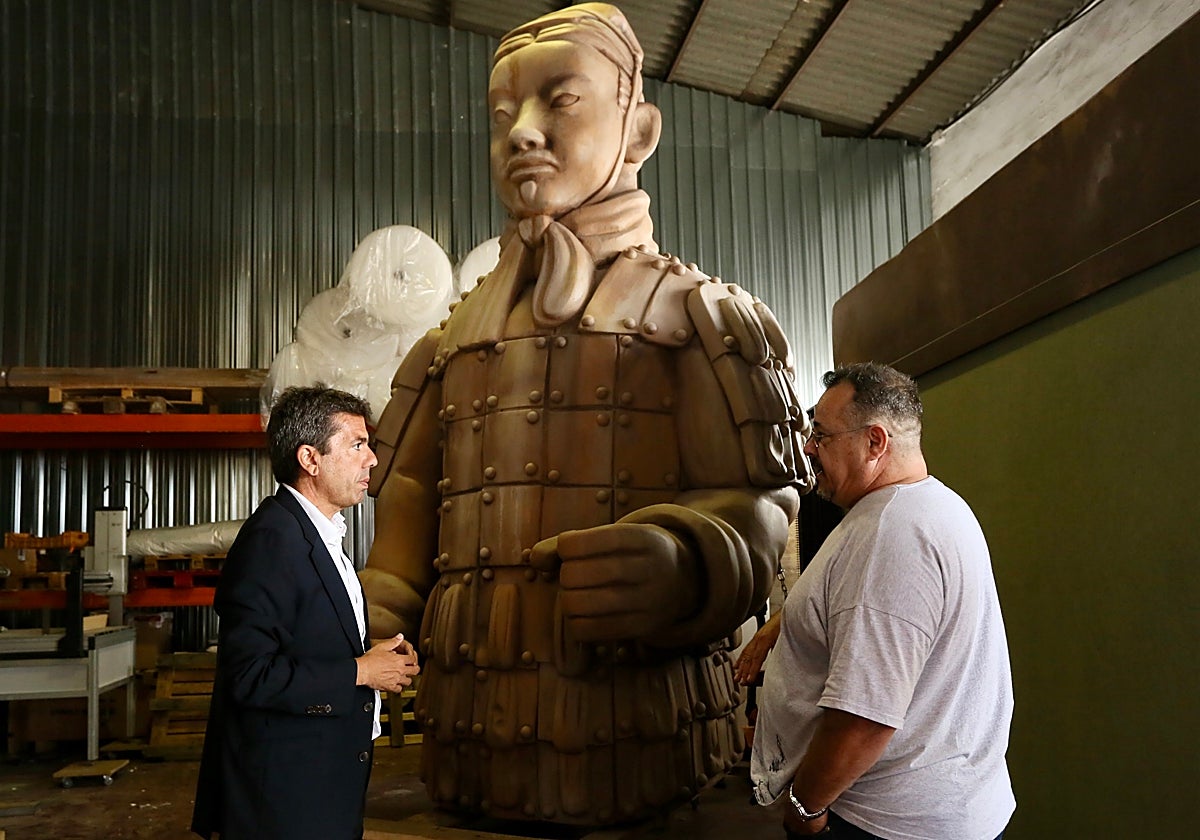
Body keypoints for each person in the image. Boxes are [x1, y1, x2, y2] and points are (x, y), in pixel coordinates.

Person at [361, 2, 813, 825]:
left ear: (639, 132)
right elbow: (406, 520)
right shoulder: (448, 341)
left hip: (643, 749)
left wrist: (688, 559)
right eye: (503, 115)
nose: (522, 133)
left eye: (560, 101)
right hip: (469, 754)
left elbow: (767, 508)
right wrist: (361, 614)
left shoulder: (698, 315)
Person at [750, 362, 1014, 840]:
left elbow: (864, 717)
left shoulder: (891, 536)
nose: (809, 448)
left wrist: (804, 809)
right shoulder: (931, 505)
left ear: (875, 442)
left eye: (822, 435)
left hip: (886, 824)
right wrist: (785, 622)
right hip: (939, 806)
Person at [192, 386, 420, 840]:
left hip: (319, 786)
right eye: (357, 445)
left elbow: (300, 637)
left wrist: (372, 656)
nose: (371, 459)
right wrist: (359, 671)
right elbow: (249, 675)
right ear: (310, 460)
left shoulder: (318, 533)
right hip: (282, 803)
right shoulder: (272, 542)